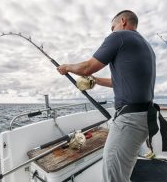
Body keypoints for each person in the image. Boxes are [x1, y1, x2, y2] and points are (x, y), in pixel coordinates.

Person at [57, 10, 156, 182]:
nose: (112, 31)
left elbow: (87, 67)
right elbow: (119, 81)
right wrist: (95, 81)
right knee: (122, 172)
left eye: (113, 27)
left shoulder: (119, 37)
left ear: (123, 21)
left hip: (130, 120)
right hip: (145, 117)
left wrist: (66, 67)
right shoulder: (146, 46)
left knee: (113, 175)